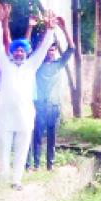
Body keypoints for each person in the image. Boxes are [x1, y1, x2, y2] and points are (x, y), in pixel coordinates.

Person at [0, 5, 55, 190]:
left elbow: (43, 49)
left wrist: (50, 30)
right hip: (5, 115)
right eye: (16, 50)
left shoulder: (31, 65)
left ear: (26, 52)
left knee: (21, 149)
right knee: (3, 148)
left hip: (25, 115)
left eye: (22, 50)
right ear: (12, 52)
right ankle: (2, 179)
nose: (19, 53)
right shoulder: (5, 64)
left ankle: (16, 180)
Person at [31, 15, 74, 171]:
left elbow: (72, 49)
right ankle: (35, 164)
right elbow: (34, 49)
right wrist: (45, 33)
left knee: (52, 137)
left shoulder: (59, 64)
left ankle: (50, 165)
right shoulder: (36, 65)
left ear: (55, 51)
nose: (50, 52)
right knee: (36, 137)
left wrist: (64, 29)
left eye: (53, 49)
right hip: (39, 106)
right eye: (48, 49)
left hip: (54, 106)